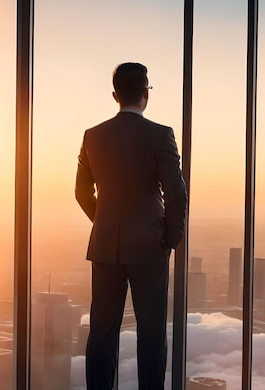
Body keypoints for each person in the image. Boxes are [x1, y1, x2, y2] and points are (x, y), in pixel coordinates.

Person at [75, 62, 187, 390]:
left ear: (115, 95)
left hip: (105, 246)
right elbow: (176, 193)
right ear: (145, 95)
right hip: (150, 246)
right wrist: (170, 238)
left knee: (102, 332)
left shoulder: (92, 136)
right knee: (151, 333)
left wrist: (106, 221)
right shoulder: (160, 134)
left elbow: (82, 192)